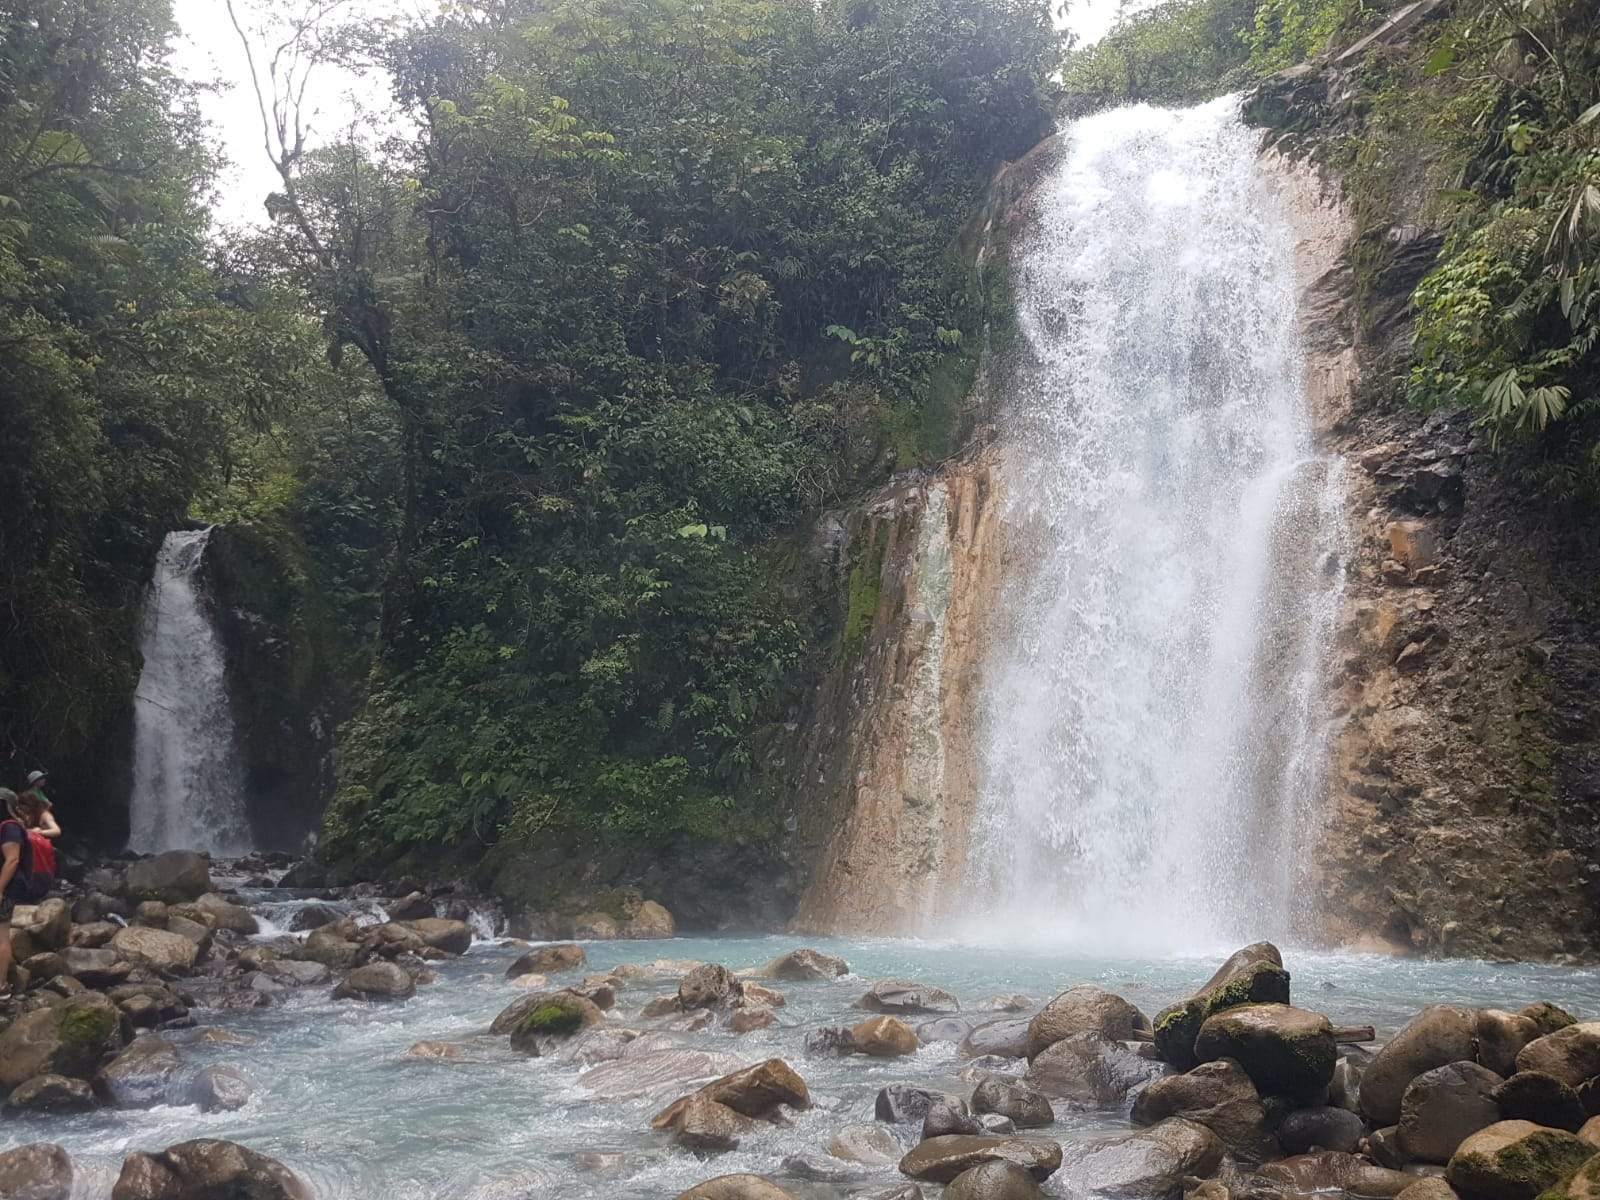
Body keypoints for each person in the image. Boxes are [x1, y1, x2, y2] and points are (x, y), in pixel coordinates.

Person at [0, 790, 56, 998]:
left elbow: (12, 860)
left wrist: (0, 890)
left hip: (7, 889)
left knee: (1, 935)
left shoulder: (10, 828)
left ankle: (1, 986)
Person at [19, 770, 59, 840]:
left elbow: (48, 804)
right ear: (35, 781)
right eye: (41, 778)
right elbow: (47, 804)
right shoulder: (31, 794)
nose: (44, 780)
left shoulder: (39, 792)